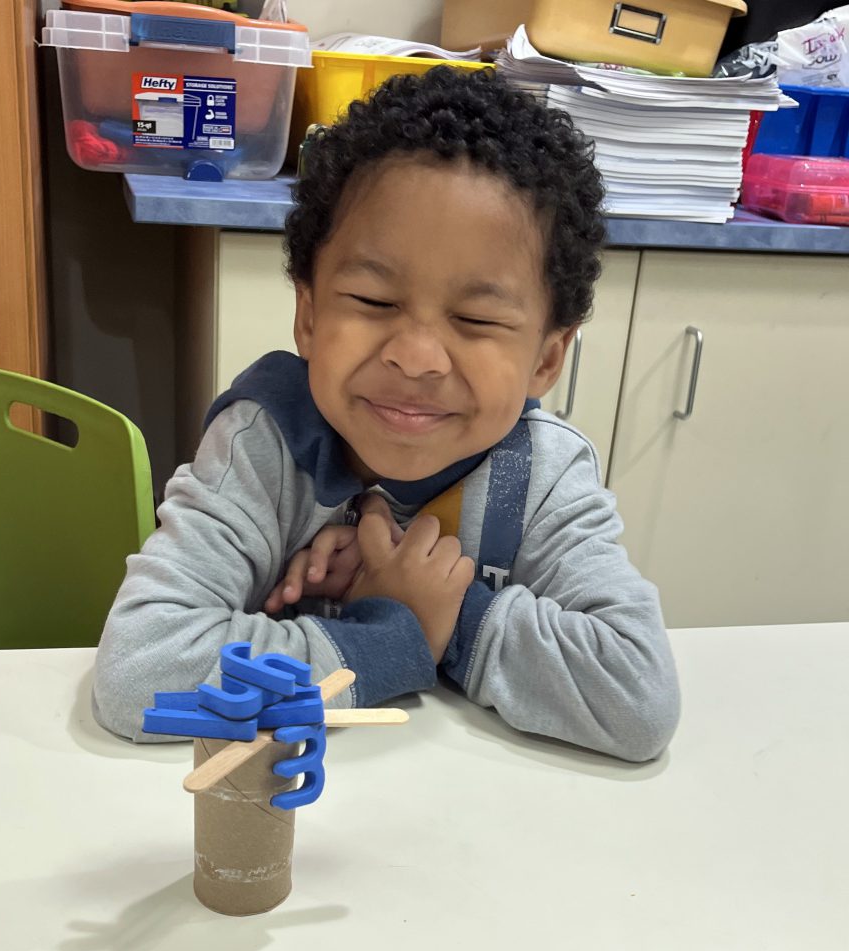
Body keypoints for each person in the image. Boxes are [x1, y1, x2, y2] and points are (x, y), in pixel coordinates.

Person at [93, 67, 680, 762]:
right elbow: (139, 675)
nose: (416, 356)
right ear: (308, 315)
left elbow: (637, 699)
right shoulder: (265, 445)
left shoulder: (545, 476)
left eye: (476, 317)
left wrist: (449, 611)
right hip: (286, 813)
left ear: (547, 360)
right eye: (373, 303)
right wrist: (393, 632)